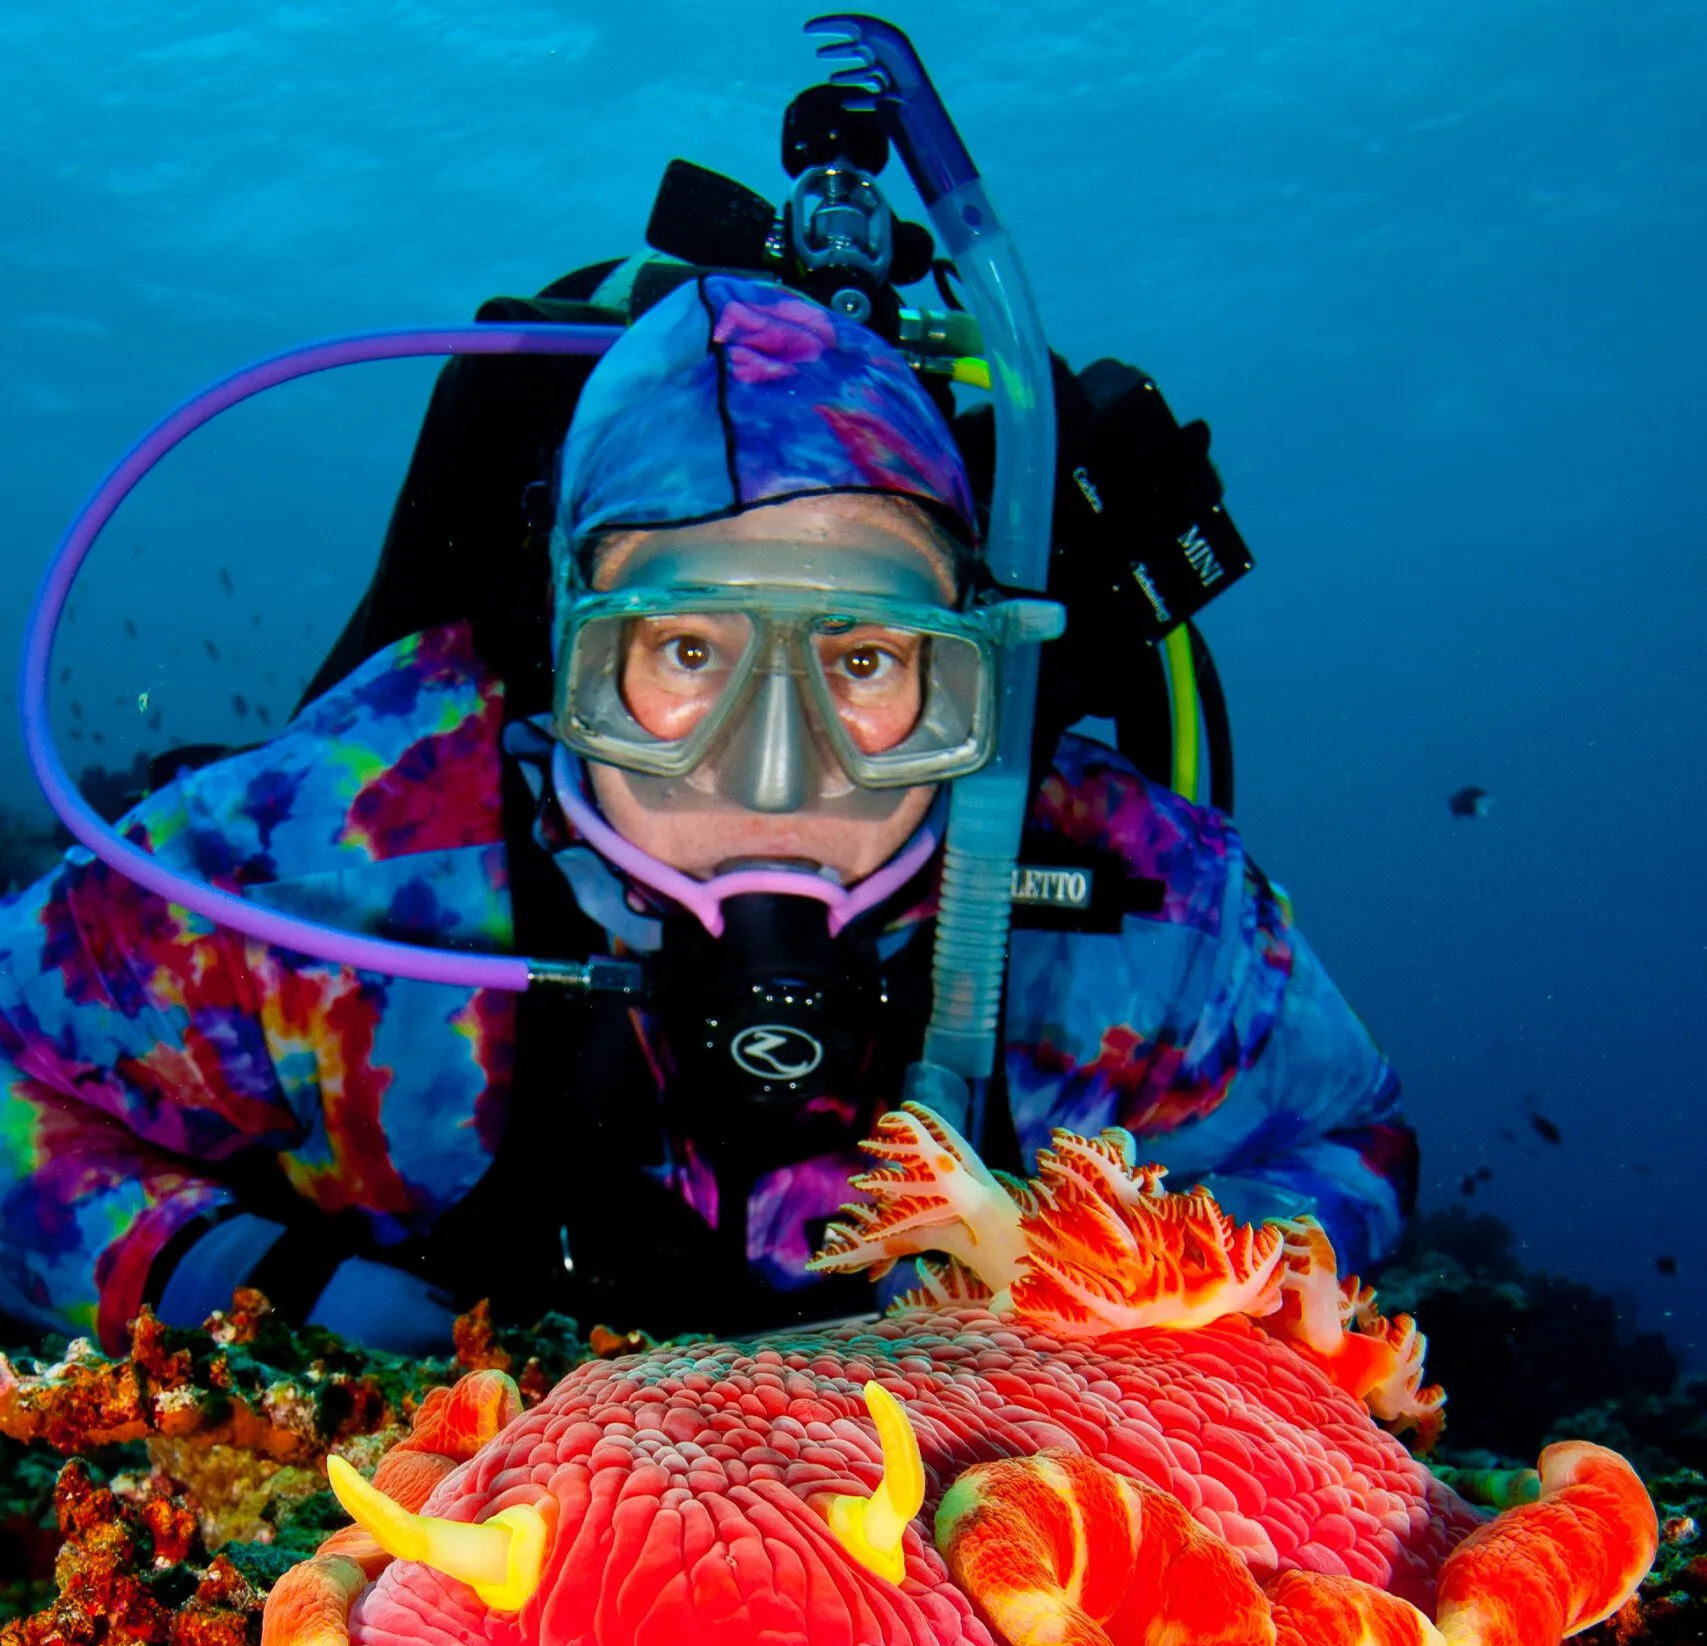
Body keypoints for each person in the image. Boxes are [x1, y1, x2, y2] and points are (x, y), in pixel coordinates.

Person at [0, 273, 1415, 1355]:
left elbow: (1351, 1143)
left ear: (973, 663)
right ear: (561, 654)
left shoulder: (1146, 903)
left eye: (864, 661)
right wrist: (273, 1296)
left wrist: (1084, 1309)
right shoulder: (328, 856)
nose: (778, 774)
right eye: (684, 654)